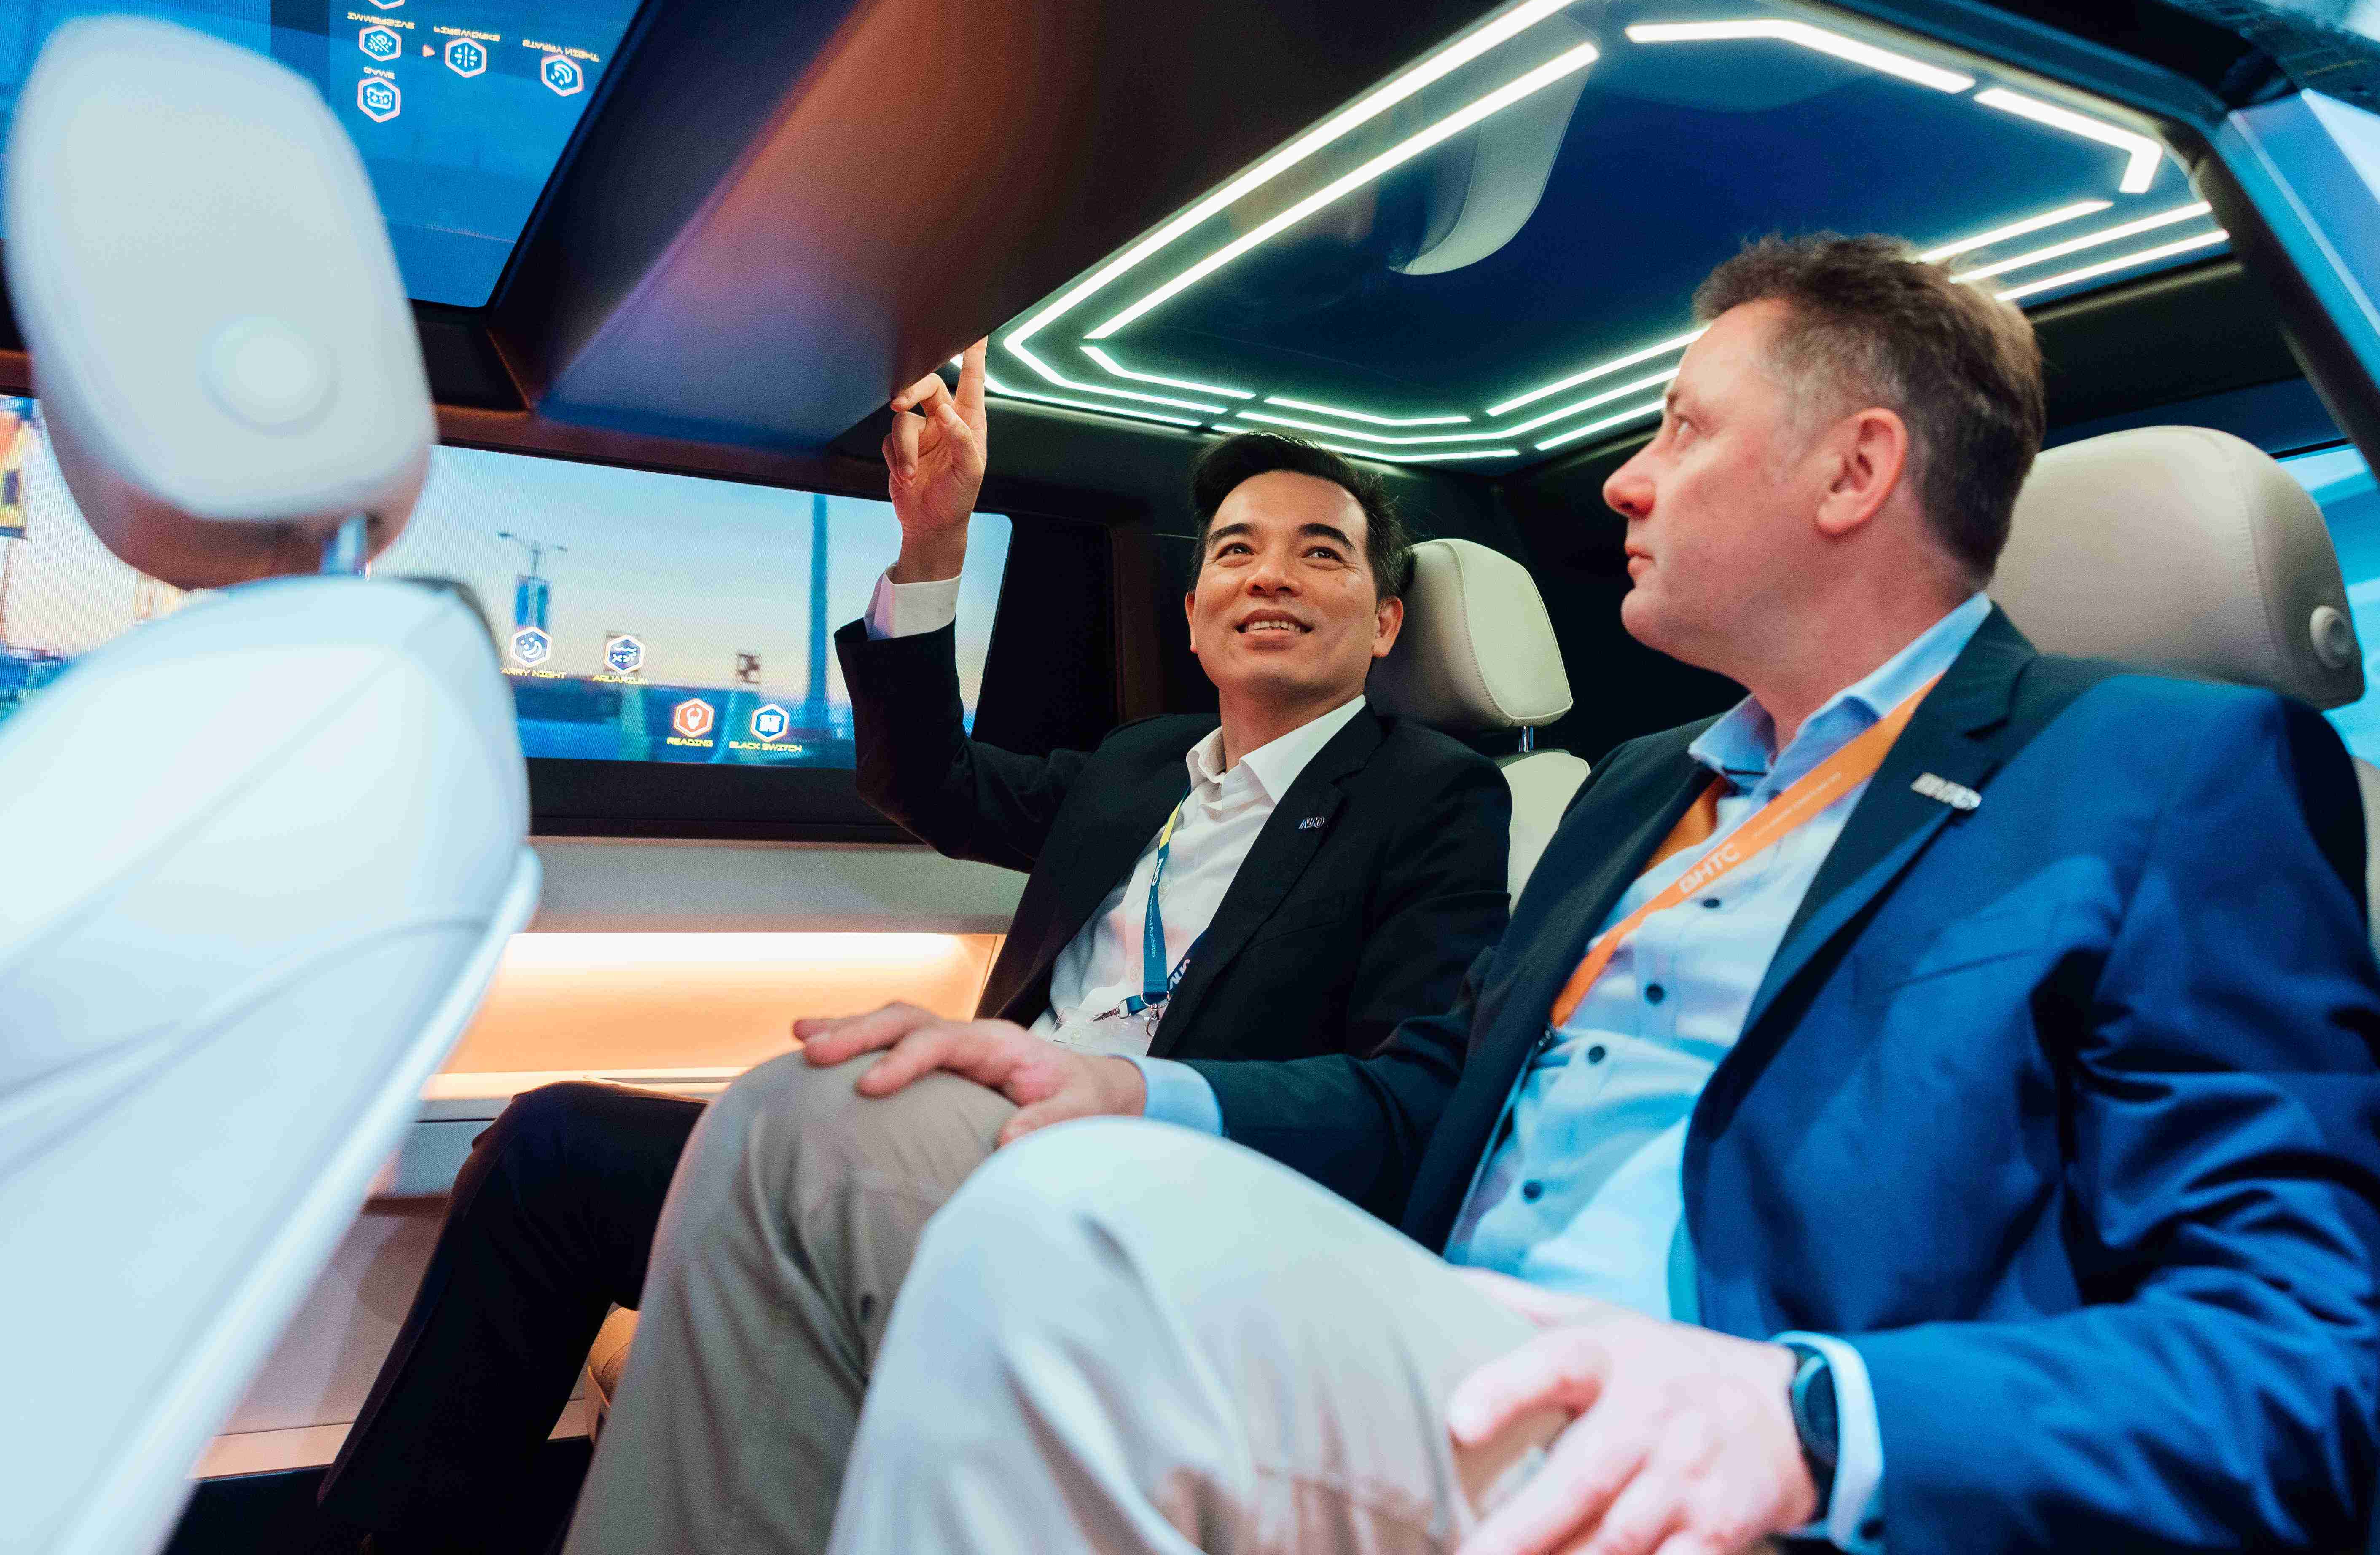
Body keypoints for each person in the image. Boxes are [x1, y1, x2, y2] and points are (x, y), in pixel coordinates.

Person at [569, 234, 2380, 1555]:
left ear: (1856, 469)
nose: (1625, 477)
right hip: (1430, 1330)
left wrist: (1809, 1414)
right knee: (816, 1117)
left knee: (1075, 1229)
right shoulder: (1637, 787)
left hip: (1682, 1433)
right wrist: (1129, 1083)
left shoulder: (2167, 772)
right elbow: (1424, 1094)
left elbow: (2286, 1360)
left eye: (1678, 429)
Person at [318, 346, 1514, 1553]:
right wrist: (934, 545)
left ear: (1385, 622)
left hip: (1136, 1206)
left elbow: (1408, 1099)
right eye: (1234, 550)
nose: (1271, 575)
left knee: (719, 1124)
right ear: (1197, 616)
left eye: (1322, 552)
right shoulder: (1139, 764)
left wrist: (1130, 1090)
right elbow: (930, 781)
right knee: (549, 1149)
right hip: (961, 1152)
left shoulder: (1432, 795)